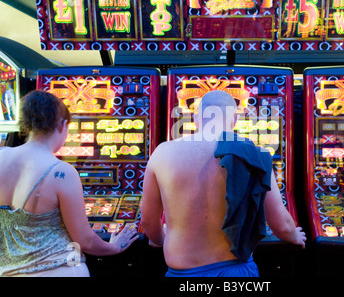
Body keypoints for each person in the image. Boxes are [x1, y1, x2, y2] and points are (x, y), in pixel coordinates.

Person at [141, 90, 306, 277]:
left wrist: (160, 238)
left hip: (182, 273)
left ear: (196, 117)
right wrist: (294, 235)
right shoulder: (254, 154)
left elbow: (148, 220)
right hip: (236, 272)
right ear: (235, 119)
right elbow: (282, 225)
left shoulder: (162, 153)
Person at [0, 90, 138, 277]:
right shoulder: (61, 171)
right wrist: (114, 246)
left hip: (8, 271)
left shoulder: (2, 157)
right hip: (59, 270)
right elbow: (85, 240)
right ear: (63, 125)